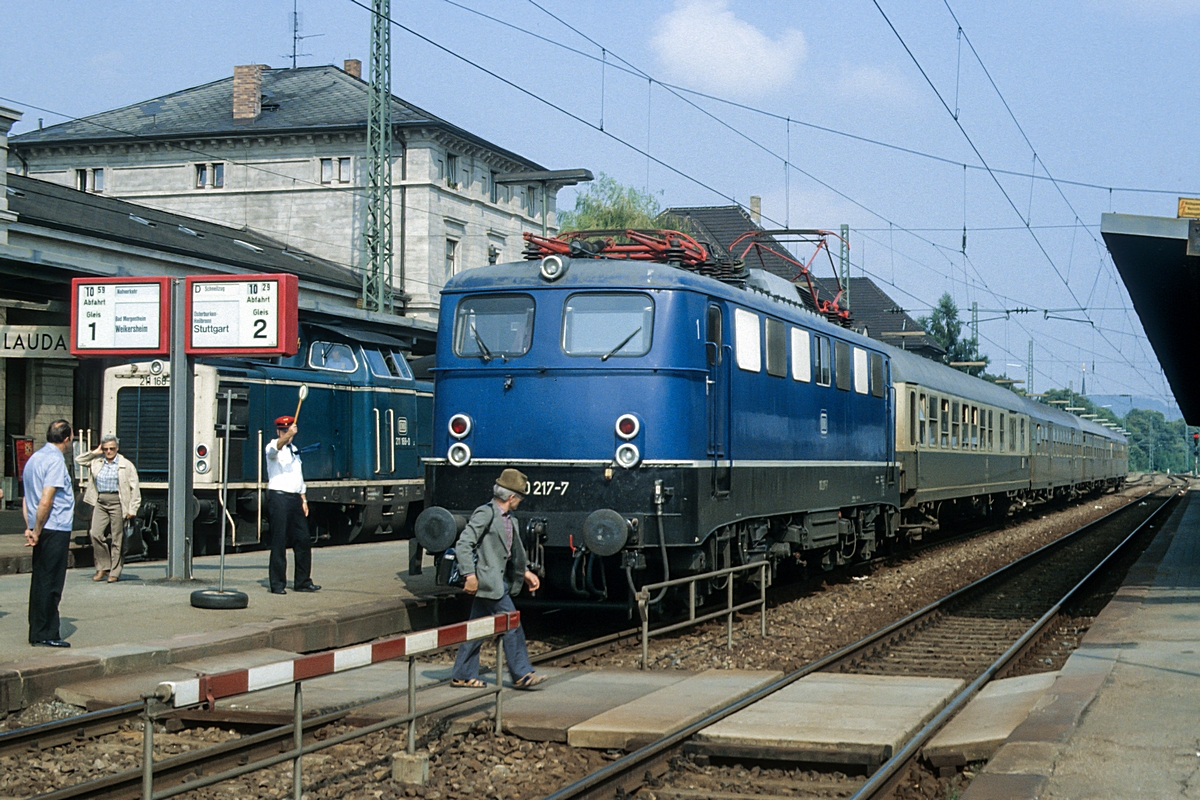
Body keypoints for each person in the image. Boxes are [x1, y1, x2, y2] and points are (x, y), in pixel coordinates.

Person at [450, 468, 547, 690]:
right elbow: (464, 544)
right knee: (512, 623)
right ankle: (522, 674)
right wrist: (470, 575)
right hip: (487, 582)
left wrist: (525, 574)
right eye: (520, 497)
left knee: (476, 629)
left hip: (496, 582)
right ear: (511, 497)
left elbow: (510, 552)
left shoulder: (509, 519)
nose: (520, 501)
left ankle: (462, 674)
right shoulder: (486, 513)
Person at [24, 420, 76, 648]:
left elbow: (28, 498)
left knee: (39, 581)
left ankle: (37, 629)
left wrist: (30, 528)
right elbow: (46, 500)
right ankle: (46, 633)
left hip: (41, 527)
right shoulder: (55, 461)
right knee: (51, 583)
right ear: (68, 438)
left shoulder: (34, 459)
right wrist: (37, 529)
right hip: (54, 528)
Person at [265, 415, 319, 595]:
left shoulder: (294, 450)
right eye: (283, 430)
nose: (287, 434)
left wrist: (303, 499)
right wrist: (286, 436)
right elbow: (277, 447)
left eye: (288, 430)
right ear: (278, 431)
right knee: (279, 540)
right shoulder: (273, 447)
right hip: (279, 497)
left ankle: (303, 581)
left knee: (303, 539)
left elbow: (298, 476)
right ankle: (277, 584)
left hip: (295, 498)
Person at [75, 434, 141, 583]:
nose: (109, 452)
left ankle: (115, 571)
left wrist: (132, 509)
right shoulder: (97, 462)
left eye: (112, 448)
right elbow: (79, 460)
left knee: (117, 538)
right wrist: (94, 452)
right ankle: (102, 567)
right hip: (100, 502)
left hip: (118, 502)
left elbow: (134, 488)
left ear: (117, 448)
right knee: (95, 533)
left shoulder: (126, 465)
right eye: (106, 449)